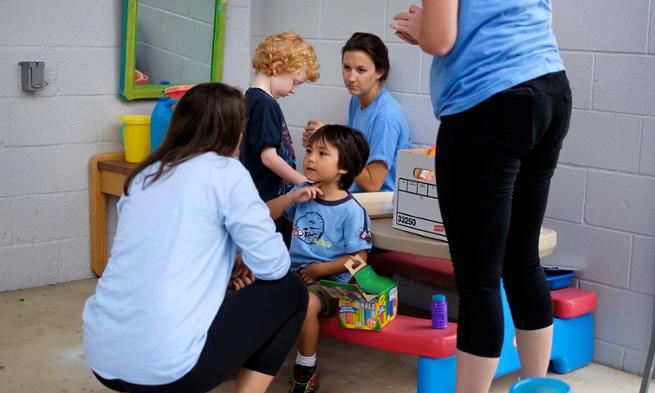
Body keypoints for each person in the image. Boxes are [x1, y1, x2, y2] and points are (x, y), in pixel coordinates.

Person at [390, 1, 572, 392]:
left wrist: (423, 28)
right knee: (522, 260)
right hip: (550, 88)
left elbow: (440, 40)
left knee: (479, 280)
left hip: (487, 102)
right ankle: (535, 386)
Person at [82, 83, 308, 393]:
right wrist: (240, 263)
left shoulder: (147, 174)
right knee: (291, 290)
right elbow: (274, 265)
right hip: (169, 369)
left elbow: (160, 251)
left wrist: (224, 267)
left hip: (102, 357)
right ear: (234, 131)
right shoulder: (227, 172)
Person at [266, 125, 373, 393]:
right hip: (294, 274)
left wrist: (321, 269)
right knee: (254, 291)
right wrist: (291, 197)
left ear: (344, 167)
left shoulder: (351, 211)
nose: (311, 158)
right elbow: (265, 213)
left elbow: (359, 260)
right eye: (310, 150)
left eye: (322, 153)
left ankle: (306, 366)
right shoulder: (303, 193)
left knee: (307, 302)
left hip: (331, 284)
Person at [303, 32, 412, 192]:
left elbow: (373, 184)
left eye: (361, 70)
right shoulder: (357, 100)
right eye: (347, 67)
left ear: (379, 72)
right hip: (355, 191)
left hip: (379, 203)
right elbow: (354, 149)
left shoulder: (386, 117)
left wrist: (333, 141)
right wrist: (320, 141)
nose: (351, 78)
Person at [240, 32, 320, 246]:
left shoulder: (254, 99)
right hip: (264, 199)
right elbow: (268, 157)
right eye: (294, 82)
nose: (294, 90)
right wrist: (302, 181)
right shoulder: (264, 104)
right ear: (276, 67)